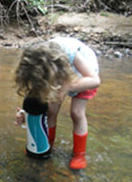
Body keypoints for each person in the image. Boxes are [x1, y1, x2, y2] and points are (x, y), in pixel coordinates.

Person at [15, 37, 100, 170]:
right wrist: (25, 113)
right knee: (50, 112)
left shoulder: (72, 54)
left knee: (76, 113)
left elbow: (95, 80)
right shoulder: (37, 62)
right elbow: (35, 95)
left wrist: (68, 87)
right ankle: (46, 144)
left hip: (84, 77)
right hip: (57, 75)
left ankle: (79, 155)